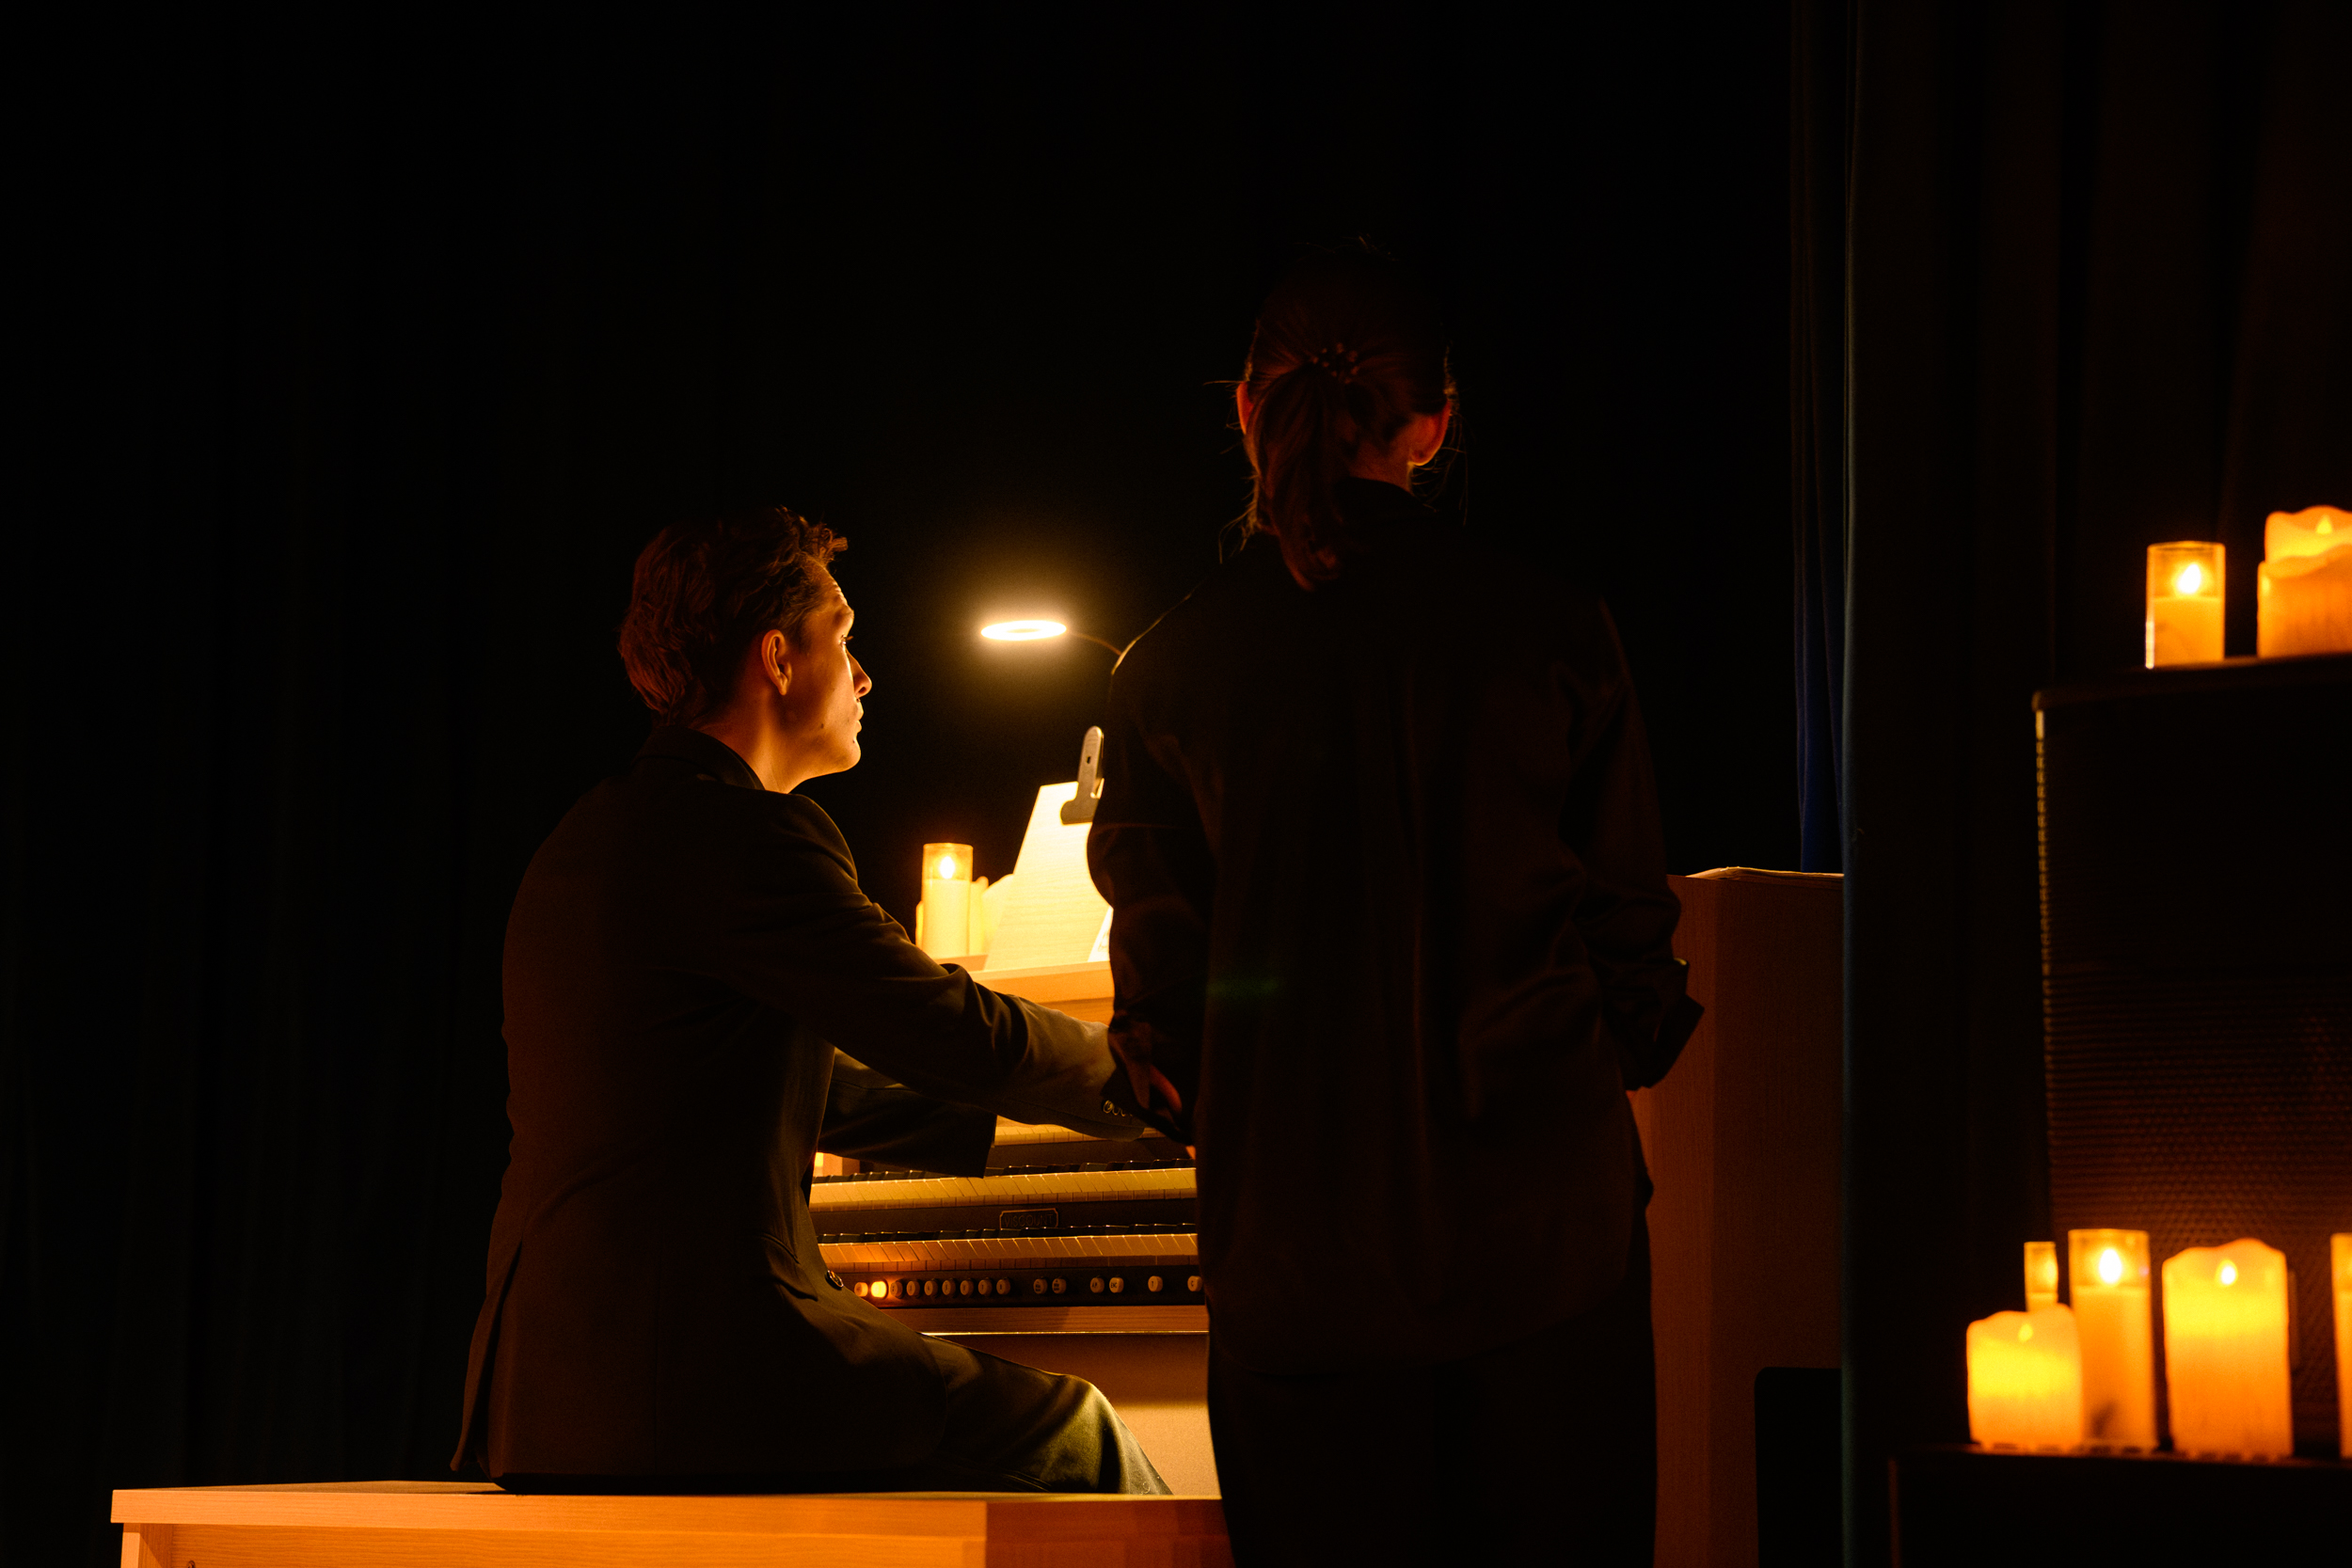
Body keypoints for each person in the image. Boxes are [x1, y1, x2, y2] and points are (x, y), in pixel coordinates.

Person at [1088, 251, 1700, 1562]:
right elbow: (1630, 931)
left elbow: (1163, 1011)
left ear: (1246, 409)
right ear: (1433, 424)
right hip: (1546, 1237)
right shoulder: (1552, 626)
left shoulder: (1166, 667)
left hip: (1297, 1263)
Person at [453, 506, 1168, 1494]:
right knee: (1078, 1427)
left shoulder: (587, 835)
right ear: (779, 657)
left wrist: (1022, 1137)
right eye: (845, 636)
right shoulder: (747, 836)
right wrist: (1143, 1079)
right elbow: (947, 1025)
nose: (864, 676)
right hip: (703, 1373)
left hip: (542, 1387)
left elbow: (772, 1082)